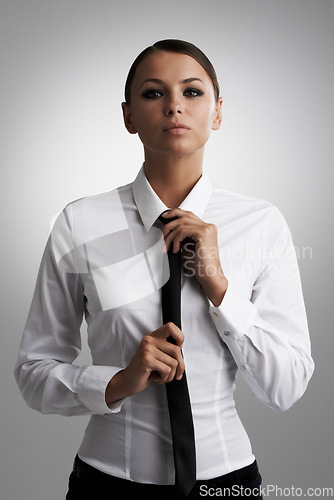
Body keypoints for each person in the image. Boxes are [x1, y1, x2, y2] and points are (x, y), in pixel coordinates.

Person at [15, 39, 314, 499]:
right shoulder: (79, 223)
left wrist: (219, 287)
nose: (175, 105)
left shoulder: (262, 224)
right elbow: (34, 372)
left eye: (192, 92)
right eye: (154, 93)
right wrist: (116, 381)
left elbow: (287, 384)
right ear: (128, 115)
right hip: (108, 483)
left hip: (227, 484)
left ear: (217, 113)